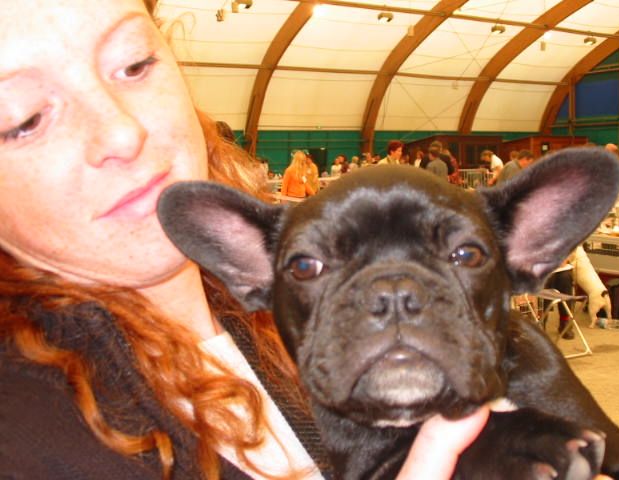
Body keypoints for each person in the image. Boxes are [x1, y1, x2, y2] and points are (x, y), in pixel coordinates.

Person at [0, 1, 493, 479]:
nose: (122, 133)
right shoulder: (23, 444)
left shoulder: (298, 296)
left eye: (134, 64)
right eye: (25, 121)